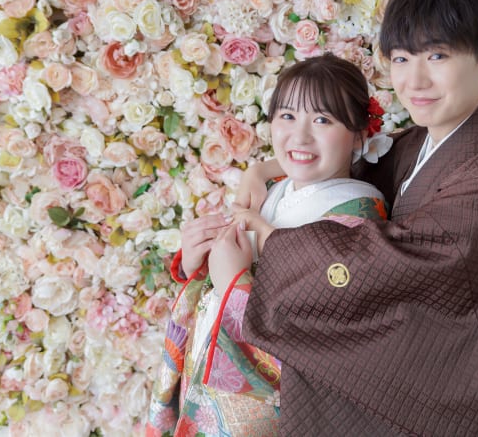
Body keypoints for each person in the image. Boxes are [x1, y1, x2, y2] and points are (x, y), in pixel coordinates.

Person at [229, 0, 478, 435]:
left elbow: (395, 260)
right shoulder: (417, 144)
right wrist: (264, 170)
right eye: (402, 58)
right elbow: (346, 162)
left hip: (465, 392)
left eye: (438, 56)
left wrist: (269, 240)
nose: (415, 80)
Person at [146, 55, 389, 436]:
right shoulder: (274, 187)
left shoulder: (359, 215)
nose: (300, 137)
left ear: (360, 133)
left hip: (261, 409)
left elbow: (314, 337)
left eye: (323, 120)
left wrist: (233, 284)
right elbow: (220, 276)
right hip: (203, 374)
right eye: (287, 116)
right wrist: (197, 261)